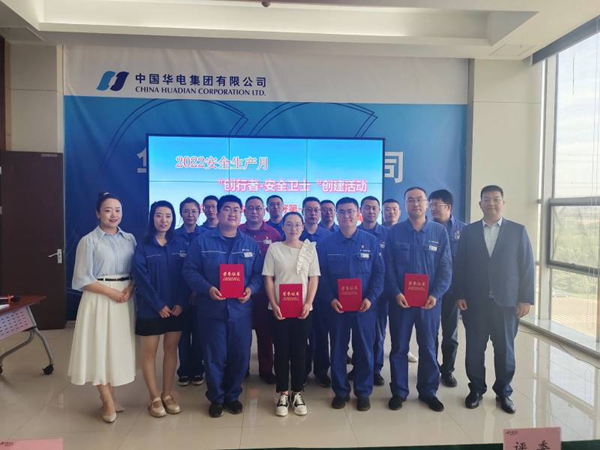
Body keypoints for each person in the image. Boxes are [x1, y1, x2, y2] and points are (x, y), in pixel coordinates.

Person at [454, 185, 534, 414]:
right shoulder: (469, 232)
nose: (491, 203)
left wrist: (525, 299)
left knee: (505, 350)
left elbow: (527, 266)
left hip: (507, 303)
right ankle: (476, 390)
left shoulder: (517, 231)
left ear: (503, 203)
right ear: (480, 204)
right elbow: (460, 265)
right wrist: (459, 294)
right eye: (487, 199)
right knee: (474, 349)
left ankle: (504, 392)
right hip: (475, 302)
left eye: (496, 199)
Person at [183, 195, 263, 418]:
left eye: (236, 209)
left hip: (240, 311)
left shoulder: (250, 244)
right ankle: (217, 398)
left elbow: (258, 274)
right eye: (227, 209)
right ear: (217, 213)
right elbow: (189, 270)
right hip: (211, 310)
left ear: (241, 214)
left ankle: (233, 396)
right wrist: (207, 288)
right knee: (214, 356)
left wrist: (251, 289)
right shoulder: (202, 242)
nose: (232, 213)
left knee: (240, 355)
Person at [68, 192, 136, 424]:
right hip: (99, 299)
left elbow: (136, 271)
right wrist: (112, 293)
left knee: (114, 349)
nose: (113, 214)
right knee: (99, 347)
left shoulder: (129, 239)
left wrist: (130, 289)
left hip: (124, 300)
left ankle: (112, 396)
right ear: (98, 213)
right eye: (108, 210)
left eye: (117, 210)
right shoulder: (89, 241)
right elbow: (81, 279)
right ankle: (106, 400)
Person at [384, 187, 452, 412]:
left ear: (427, 203)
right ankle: (399, 391)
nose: (416, 204)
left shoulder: (439, 232)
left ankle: (428, 391)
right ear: (405, 205)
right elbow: (388, 266)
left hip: (429, 304)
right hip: (400, 303)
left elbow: (446, 267)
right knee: (399, 348)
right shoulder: (395, 232)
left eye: (420, 200)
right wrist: (396, 292)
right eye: (411, 200)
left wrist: (435, 294)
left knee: (429, 347)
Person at [318, 197, 384, 411]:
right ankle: (341, 391)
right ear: (336, 214)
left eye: (350, 211)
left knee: (364, 349)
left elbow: (379, 274)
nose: (346, 215)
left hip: (365, 308)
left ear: (358, 214)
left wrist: (370, 298)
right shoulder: (326, 243)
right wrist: (331, 299)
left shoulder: (371, 241)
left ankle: (363, 392)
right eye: (342, 211)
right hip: (337, 308)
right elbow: (320, 276)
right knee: (338, 349)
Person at [133, 201, 189, 418]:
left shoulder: (181, 244)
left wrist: (181, 302)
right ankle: (154, 397)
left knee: (171, 349)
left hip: (176, 308)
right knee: (149, 354)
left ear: (173, 219)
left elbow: (186, 275)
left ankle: (167, 393)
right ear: (152, 218)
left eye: (168, 216)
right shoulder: (143, 246)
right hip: (150, 309)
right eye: (159, 215)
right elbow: (141, 278)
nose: (163, 220)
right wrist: (158, 305)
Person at [263, 212, 320, 417]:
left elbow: (314, 278)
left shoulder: (310, 249)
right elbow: (268, 278)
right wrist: (273, 303)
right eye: (289, 224)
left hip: (303, 310)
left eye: (297, 224)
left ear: (303, 227)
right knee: (281, 350)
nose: (293, 228)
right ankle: (283, 393)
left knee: (299, 351)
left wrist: (308, 303)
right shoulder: (274, 248)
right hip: (279, 309)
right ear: (283, 227)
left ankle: (297, 392)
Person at [239, 196, 282, 384]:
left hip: (266, 293)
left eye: (258, 208)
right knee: (241, 334)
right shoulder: (237, 231)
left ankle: (266, 370)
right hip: (240, 293)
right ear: (245, 211)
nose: (254, 211)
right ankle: (242, 368)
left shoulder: (274, 234)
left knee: (266, 334)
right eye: (250, 208)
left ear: (264, 211)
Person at [428, 189, 465, 388]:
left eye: (437, 205)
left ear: (448, 207)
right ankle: (431, 368)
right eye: (431, 205)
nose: (432, 209)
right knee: (431, 332)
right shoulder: (427, 229)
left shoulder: (463, 230)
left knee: (450, 334)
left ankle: (447, 370)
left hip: (452, 291)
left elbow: (468, 263)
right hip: (430, 291)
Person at [355, 196, 389, 387]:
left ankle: (375, 369)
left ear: (379, 211)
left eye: (374, 208)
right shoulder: (354, 232)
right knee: (359, 334)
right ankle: (359, 367)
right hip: (355, 295)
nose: (371, 211)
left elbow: (386, 266)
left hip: (379, 295)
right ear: (361, 210)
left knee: (377, 333)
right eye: (367, 208)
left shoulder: (387, 234)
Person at [382, 198, 418, 364]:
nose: (391, 212)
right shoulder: (379, 231)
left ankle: (404, 349)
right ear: (382, 212)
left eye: (394, 209)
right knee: (381, 324)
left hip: (402, 287)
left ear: (400, 211)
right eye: (387, 209)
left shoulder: (407, 232)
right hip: (382, 286)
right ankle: (379, 352)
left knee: (402, 324)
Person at [300, 196, 332, 387]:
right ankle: (302, 371)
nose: (313, 213)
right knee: (301, 335)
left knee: (321, 334)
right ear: (303, 211)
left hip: (323, 295)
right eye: (309, 210)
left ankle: (321, 371)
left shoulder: (329, 236)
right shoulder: (296, 233)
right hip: (300, 294)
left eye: (316, 210)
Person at [175, 197, 206, 387]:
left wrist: (198, 288)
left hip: (201, 293)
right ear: (181, 213)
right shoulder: (173, 236)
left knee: (200, 334)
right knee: (183, 335)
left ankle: (198, 369)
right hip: (179, 293)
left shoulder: (206, 236)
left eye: (194, 211)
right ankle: (184, 370)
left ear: (199, 213)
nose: (190, 215)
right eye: (186, 211)